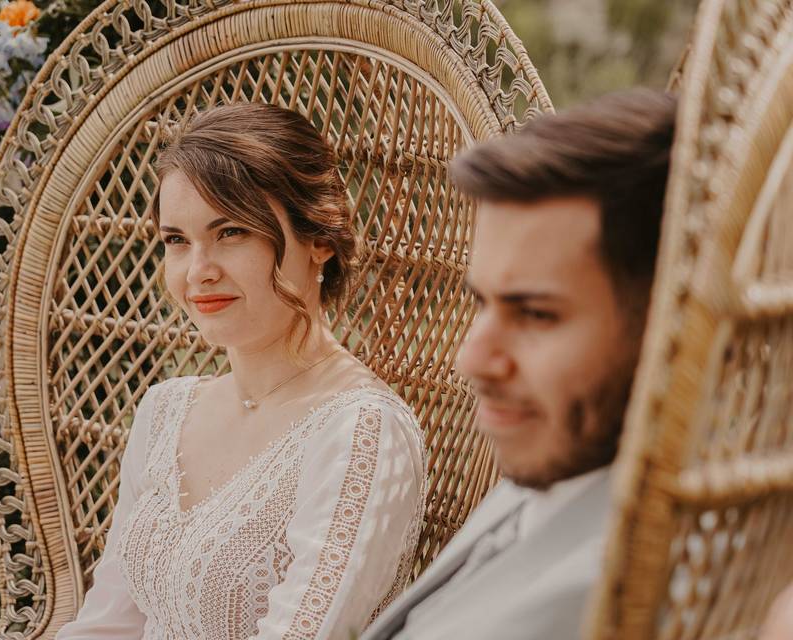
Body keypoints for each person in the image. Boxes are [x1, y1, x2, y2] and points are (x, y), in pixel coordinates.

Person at [55, 103, 427, 639]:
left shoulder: (361, 433)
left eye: (231, 232)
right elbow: (108, 625)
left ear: (319, 240)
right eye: (177, 241)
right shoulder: (166, 411)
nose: (198, 272)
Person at [362, 88, 677, 640]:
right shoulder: (563, 463)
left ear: (675, 320)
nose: (471, 361)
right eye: (480, 302)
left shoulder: (632, 591)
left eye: (535, 313)